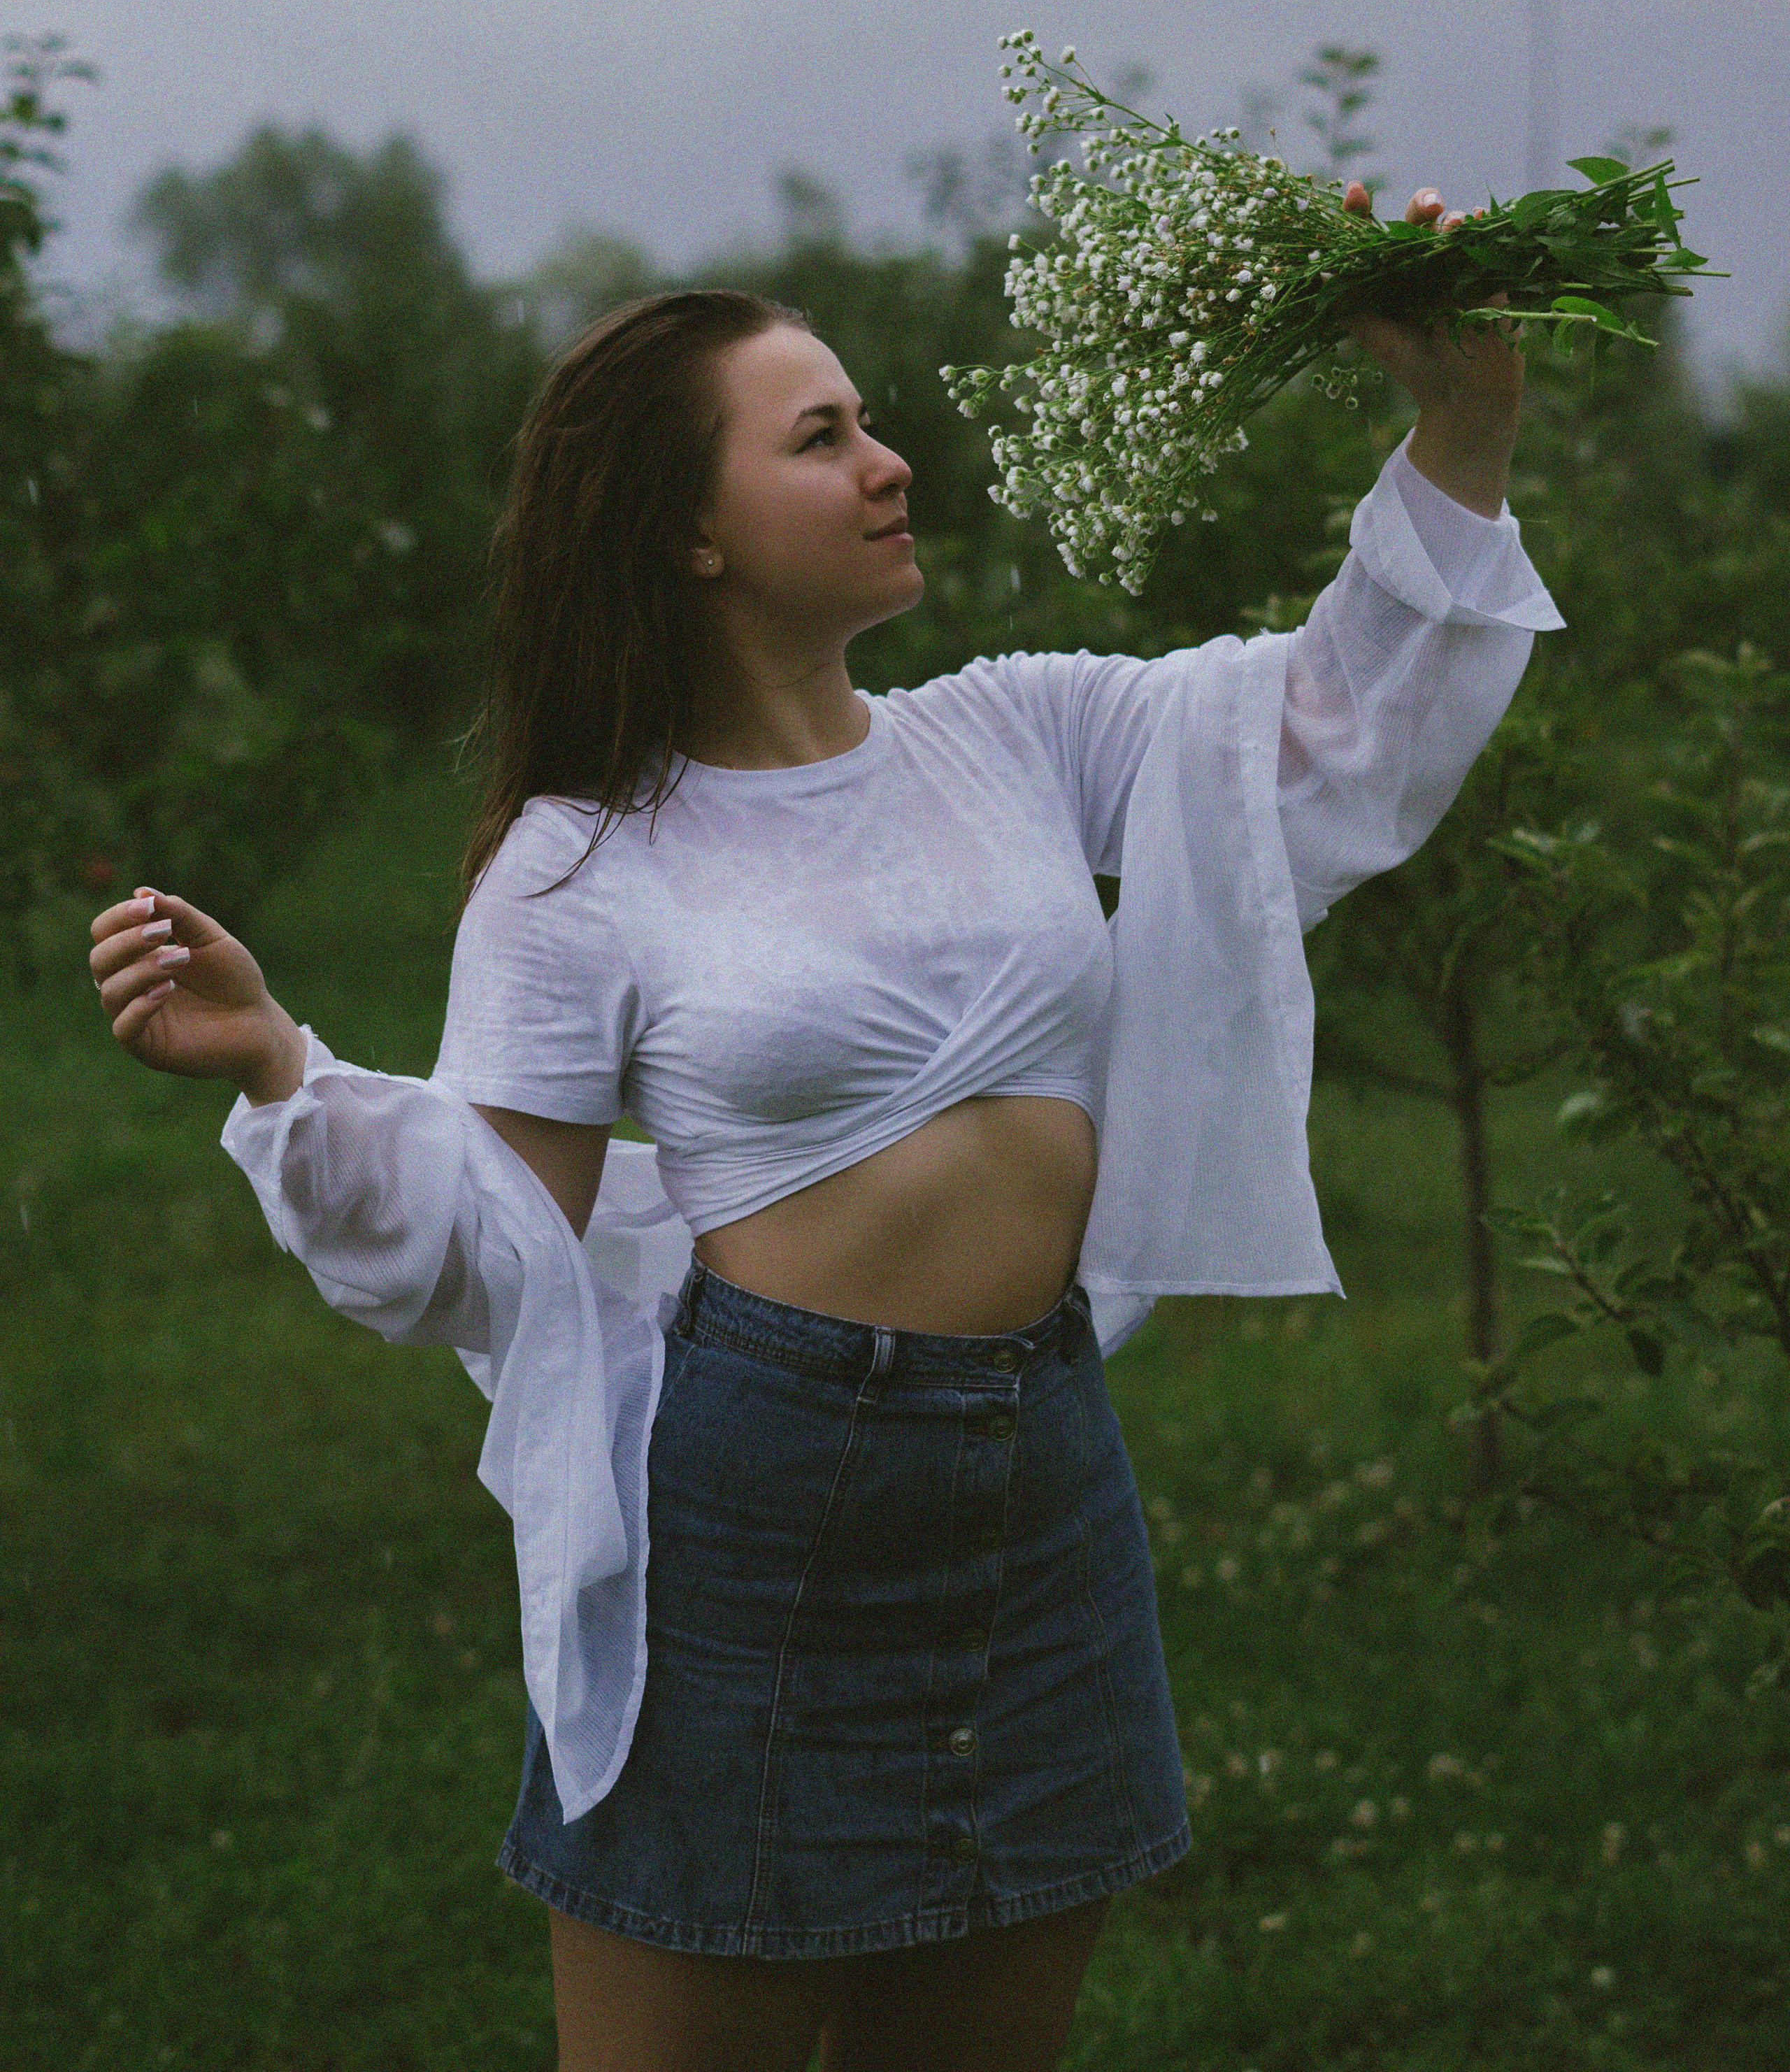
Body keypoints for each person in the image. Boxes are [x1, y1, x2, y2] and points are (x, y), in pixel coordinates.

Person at [88, 187, 1561, 2072]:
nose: (891, 459)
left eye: (868, 421)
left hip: (1041, 1478)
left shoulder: (1017, 732)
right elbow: (492, 1246)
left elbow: (1344, 730)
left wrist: (1465, 421)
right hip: (765, 1520)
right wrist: (285, 1067)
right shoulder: (580, 867)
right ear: (688, 533)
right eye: (823, 436)